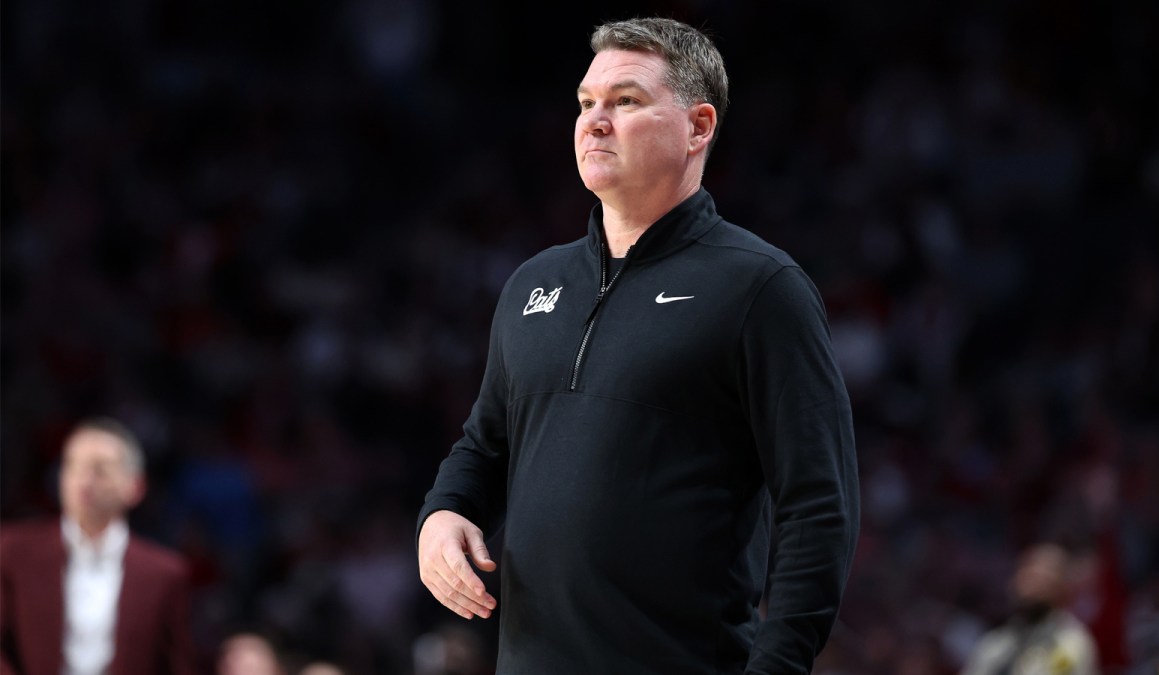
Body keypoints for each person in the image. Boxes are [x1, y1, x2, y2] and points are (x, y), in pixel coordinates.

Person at [416, 16, 859, 674]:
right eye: (586, 103)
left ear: (699, 126)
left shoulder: (760, 288)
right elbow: (485, 444)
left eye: (626, 102)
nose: (595, 120)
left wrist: (779, 666)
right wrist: (443, 512)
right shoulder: (532, 283)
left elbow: (819, 503)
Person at [0, 417, 197, 675]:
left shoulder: (164, 574)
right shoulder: (15, 550)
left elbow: (177, 665)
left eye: (100, 469)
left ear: (135, 487)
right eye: (72, 465)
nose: (84, 479)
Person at [960, 542, 1099, 675]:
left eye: (1043, 576)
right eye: (1027, 573)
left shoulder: (1071, 643)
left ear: (1061, 588)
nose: (1031, 584)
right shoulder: (996, 643)